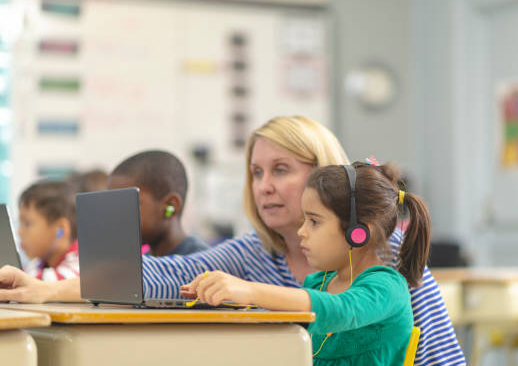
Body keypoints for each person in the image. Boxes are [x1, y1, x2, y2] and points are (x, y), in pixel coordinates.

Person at [0, 116, 465, 366]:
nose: (262, 185)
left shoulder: (391, 261)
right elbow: (160, 274)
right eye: (256, 172)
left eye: (281, 170)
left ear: (324, 179)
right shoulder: (253, 252)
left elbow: (442, 358)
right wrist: (46, 290)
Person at [182, 161, 430, 365]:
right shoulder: (317, 283)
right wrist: (225, 300)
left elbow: (340, 310)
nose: (301, 232)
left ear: (359, 233)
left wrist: (248, 289)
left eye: (314, 221)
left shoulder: (387, 287)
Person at [106, 150, 208, 256]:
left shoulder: (202, 264)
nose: (117, 217)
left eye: (127, 205)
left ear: (170, 206)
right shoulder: (144, 262)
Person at [18, 180, 79, 281]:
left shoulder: (79, 265)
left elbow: (31, 283)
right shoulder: (37, 264)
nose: (19, 232)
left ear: (61, 230)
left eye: (27, 224)